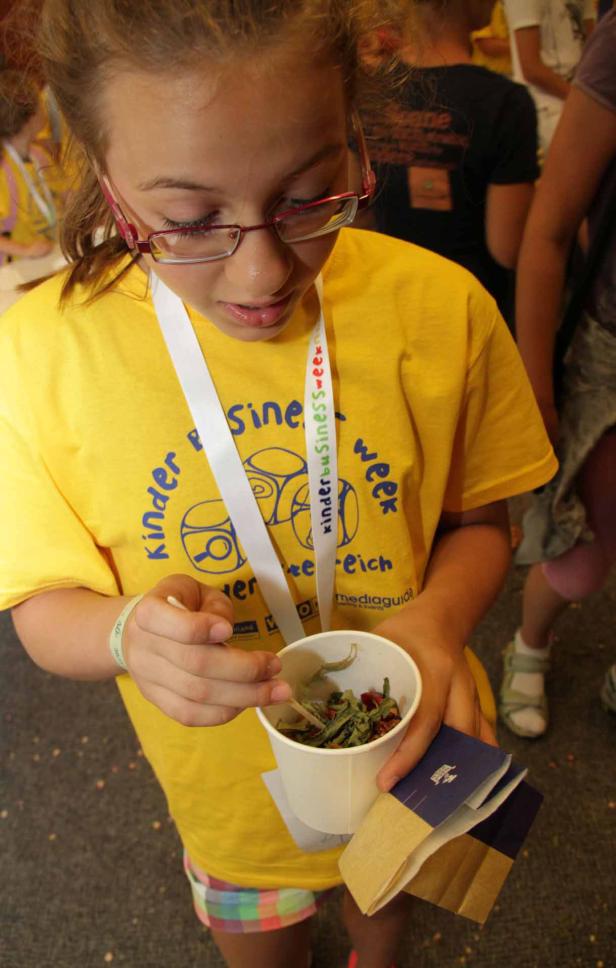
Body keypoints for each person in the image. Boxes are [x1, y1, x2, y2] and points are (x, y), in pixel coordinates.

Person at [0, 2, 557, 967]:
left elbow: (481, 524)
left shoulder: (442, 309)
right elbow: (43, 603)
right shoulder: (37, 358)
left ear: (351, 138)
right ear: (101, 170)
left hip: (408, 748)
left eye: (309, 196)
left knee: (388, 919)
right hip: (229, 799)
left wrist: (435, 622)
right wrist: (128, 633)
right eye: (188, 220)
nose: (261, 272)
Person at [499, 8, 616, 739]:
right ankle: (528, 643)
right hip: (608, 348)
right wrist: (535, 390)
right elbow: (544, 230)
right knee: (577, 553)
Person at [359, 0, 538, 324]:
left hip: (386, 308)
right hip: (469, 313)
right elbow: (507, 248)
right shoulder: (505, 103)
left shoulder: (368, 89)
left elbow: (358, 222)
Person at [503, 0, 595, 155]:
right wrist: (583, 101)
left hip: (582, 93)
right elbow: (531, 69)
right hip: (547, 104)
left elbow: (593, 46)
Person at [0, 68, 61, 264]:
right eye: (39, 102)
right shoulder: (3, 170)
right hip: (19, 269)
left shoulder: (39, 156)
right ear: (29, 117)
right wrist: (25, 250)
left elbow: (67, 195)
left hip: (51, 258)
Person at [472, 1, 512, 76]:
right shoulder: (486, 6)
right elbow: (486, 44)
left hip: (516, 74)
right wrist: (523, 46)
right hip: (488, 74)